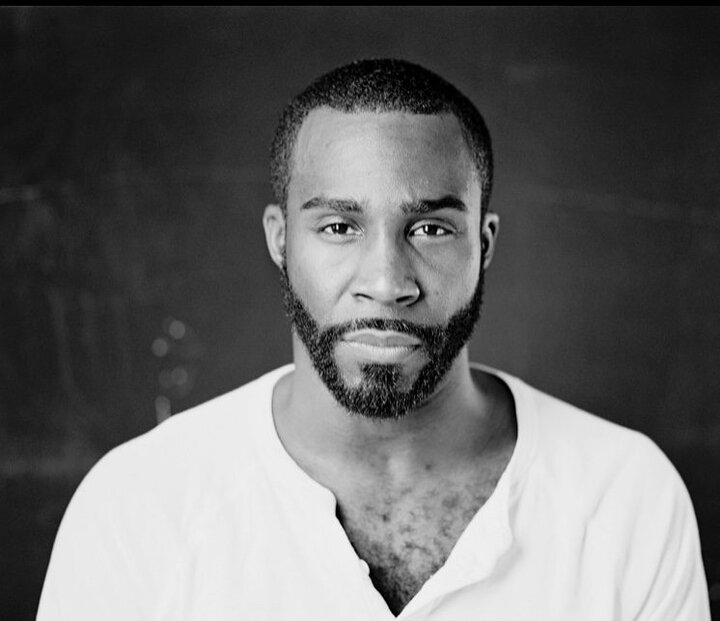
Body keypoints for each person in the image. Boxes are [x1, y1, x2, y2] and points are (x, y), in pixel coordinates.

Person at [38, 58, 710, 620]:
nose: (386, 282)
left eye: (430, 229)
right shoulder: (138, 507)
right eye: (339, 227)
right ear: (280, 240)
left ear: (483, 244)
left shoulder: (624, 496)